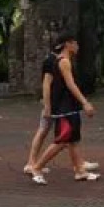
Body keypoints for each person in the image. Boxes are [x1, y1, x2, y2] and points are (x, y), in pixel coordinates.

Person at [28, 35, 99, 185]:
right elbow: (70, 85)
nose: (78, 46)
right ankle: (37, 167)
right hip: (65, 109)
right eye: (76, 43)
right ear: (68, 44)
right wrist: (85, 103)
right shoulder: (64, 62)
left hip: (69, 108)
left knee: (73, 140)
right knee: (62, 141)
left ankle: (80, 171)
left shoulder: (62, 61)